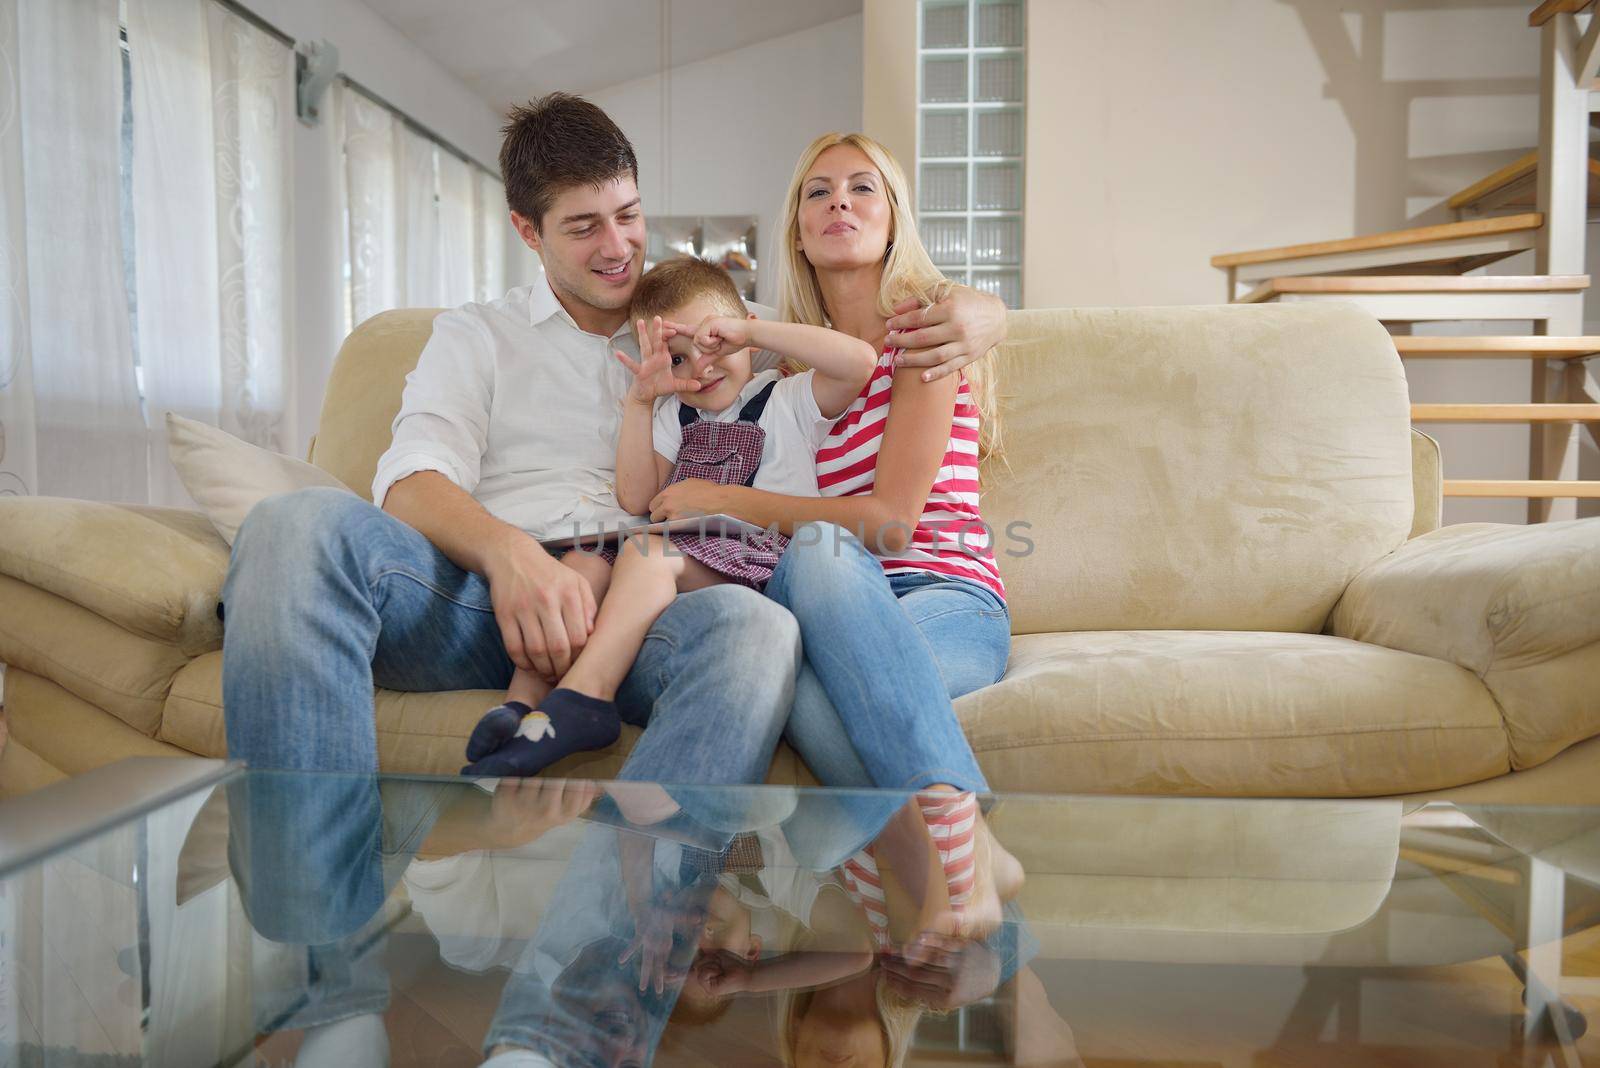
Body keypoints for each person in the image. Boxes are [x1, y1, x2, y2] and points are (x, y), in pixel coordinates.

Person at [217, 92, 1004, 794]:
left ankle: (619, 938)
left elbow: (864, 332)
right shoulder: (476, 335)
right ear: (528, 230)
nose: (619, 247)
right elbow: (410, 478)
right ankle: (312, 935)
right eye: (584, 226)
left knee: (764, 630)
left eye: (628, 215)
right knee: (292, 525)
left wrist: (980, 310)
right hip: (478, 598)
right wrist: (509, 556)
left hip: (654, 606)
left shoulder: (707, 315)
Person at [643, 132, 1024, 929]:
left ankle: (945, 860)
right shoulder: (788, 384)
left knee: (818, 556)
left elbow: (890, 526)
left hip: (942, 593)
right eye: (817, 192)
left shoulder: (928, 339)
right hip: (838, 613)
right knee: (798, 672)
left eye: (862, 188)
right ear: (798, 232)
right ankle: (952, 875)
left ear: (894, 219)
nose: (838, 203)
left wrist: (727, 500)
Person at [462, 257, 875, 777]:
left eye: (713, 346)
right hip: (677, 561)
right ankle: (520, 707)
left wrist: (749, 329)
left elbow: (859, 363)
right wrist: (641, 402)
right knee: (584, 561)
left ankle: (586, 698)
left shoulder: (786, 398)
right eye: (677, 360)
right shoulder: (676, 416)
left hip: (759, 564)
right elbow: (636, 497)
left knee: (646, 551)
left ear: (742, 336)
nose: (698, 369)